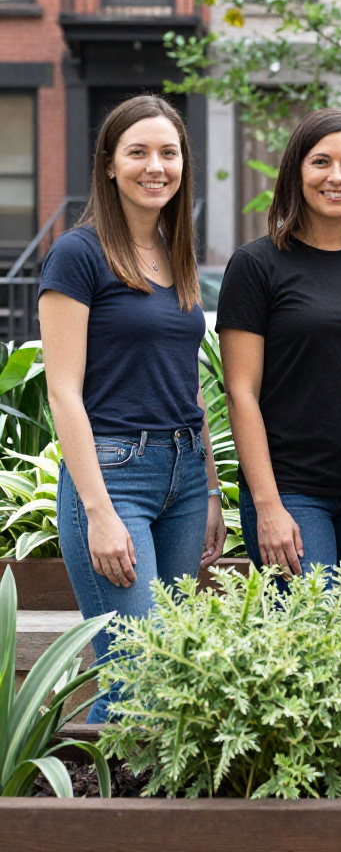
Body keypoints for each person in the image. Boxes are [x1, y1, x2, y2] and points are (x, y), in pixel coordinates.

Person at [39, 95, 227, 722]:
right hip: (115, 475)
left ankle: (152, 819)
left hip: (182, 475)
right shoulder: (78, 254)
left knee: (167, 672)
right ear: (109, 164)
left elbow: (189, 382)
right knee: (133, 676)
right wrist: (98, 511)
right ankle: (84, 818)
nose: (156, 166)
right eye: (139, 152)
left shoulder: (176, 254)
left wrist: (210, 491)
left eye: (168, 153)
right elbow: (63, 390)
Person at [217, 109, 341, 606]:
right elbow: (241, 393)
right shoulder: (257, 265)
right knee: (312, 637)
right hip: (293, 491)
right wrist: (267, 504)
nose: (336, 177)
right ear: (296, 173)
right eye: (320, 162)